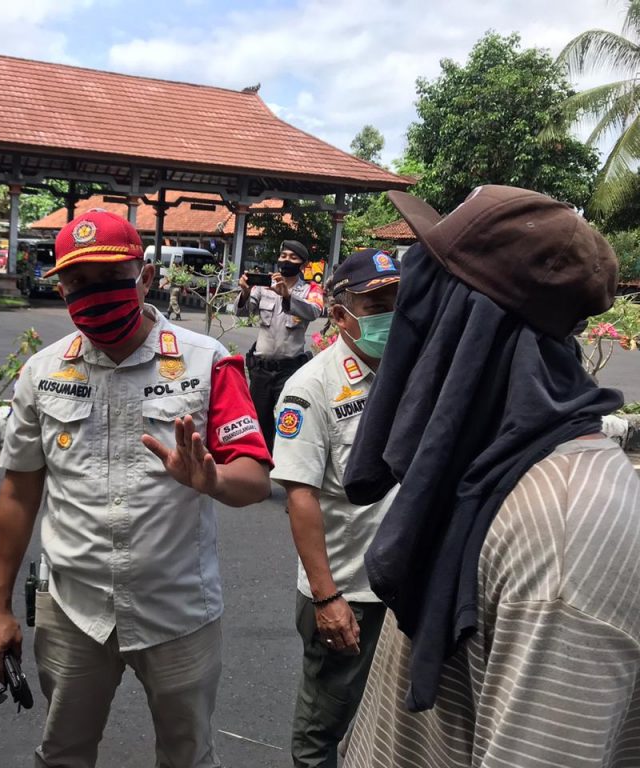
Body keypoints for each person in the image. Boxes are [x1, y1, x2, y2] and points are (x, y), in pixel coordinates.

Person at [339, 186, 640, 767]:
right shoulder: (481, 465)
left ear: (466, 321)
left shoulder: (562, 535)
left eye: (420, 291)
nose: (403, 316)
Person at [0, 209, 273, 768]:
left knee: (188, 757)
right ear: (61, 288)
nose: (95, 294)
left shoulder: (207, 362)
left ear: (145, 277)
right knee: (62, 753)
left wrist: (212, 480)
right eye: (78, 282)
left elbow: (254, 479)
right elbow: (18, 495)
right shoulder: (42, 373)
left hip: (179, 611)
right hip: (73, 610)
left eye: (111, 278)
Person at [270, 249, 400, 768]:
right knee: (322, 730)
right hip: (350, 592)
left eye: (399, 302)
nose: (394, 316)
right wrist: (327, 598)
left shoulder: (414, 373)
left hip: (407, 586)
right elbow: (300, 495)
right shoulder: (311, 388)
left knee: (394, 720)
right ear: (341, 315)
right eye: (379, 307)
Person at [238, 240, 324, 451]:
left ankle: (283, 464)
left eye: (293, 258)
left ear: (304, 265)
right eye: (283, 256)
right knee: (259, 424)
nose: (286, 260)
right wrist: (246, 292)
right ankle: (261, 464)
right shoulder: (264, 286)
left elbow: (315, 311)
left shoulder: (311, 290)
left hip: (289, 372)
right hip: (261, 371)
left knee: (288, 423)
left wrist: (287, 295)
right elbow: (243, 312)